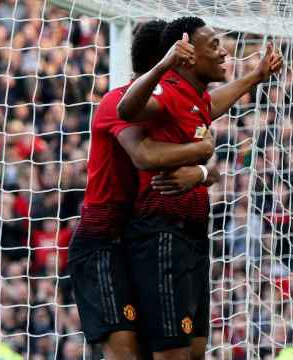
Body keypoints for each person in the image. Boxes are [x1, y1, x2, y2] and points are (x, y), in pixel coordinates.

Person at [117, 17, 283, 360]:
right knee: (171, 352)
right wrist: (200, 155)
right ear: (188, 56)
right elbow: (128, 110)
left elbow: (213, 104)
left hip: (191, 235)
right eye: (214, 46)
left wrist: (255, 76)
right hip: (161, 233)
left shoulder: (195, 100)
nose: (225, 53)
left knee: (194, 351)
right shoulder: (166, 91)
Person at [67, 20, 219, 360]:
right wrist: (201, 153)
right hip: (102, 241)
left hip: (134, 238)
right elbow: (144, 156)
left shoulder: (169, 107)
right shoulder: (122, 101)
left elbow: (210, 108)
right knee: (126, 352)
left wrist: (200, 169)